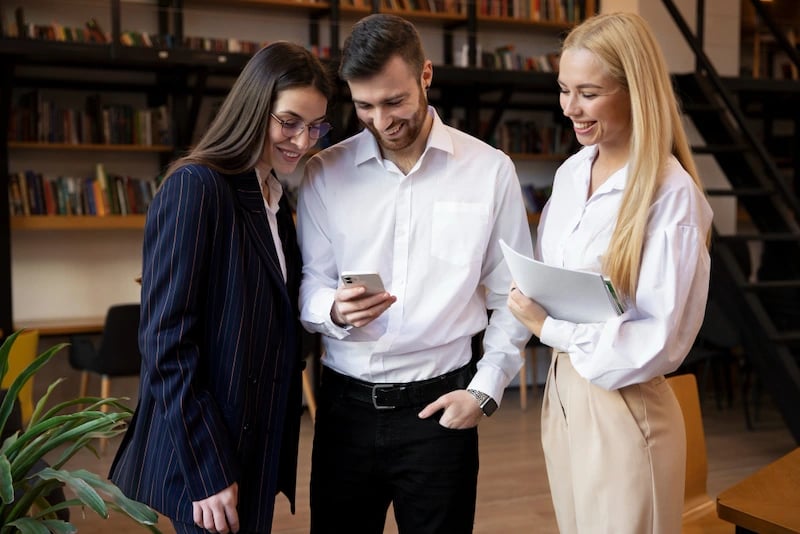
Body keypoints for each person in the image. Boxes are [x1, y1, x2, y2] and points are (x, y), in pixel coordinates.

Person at [296, 13, 533, 534]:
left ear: (426, 75)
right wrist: (331, 309)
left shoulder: (490, 170)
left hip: (440, 411)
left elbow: (512, 296)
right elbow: (310, 282)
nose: (381, 121)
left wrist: (486, 388)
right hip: (344, 412)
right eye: (364, 106)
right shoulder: (322, 172)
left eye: (394, 101)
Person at [109, 41, 333, 534]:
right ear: (255, 108)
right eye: (289, 121)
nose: (303, 140)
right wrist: (206, 469)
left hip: (257, 441)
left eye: (316, 126)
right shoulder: (197, 186)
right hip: (210, 451)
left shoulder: (274, 196)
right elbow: (165, 344)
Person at [506, 12, 713, 534]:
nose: (570, 108)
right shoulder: (573, 171)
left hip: (624, 406)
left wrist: (548, 327)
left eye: (588, 92)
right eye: (563, 89)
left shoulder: (671, 194)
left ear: (633, 91)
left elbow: (658, 340)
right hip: (562, 392)